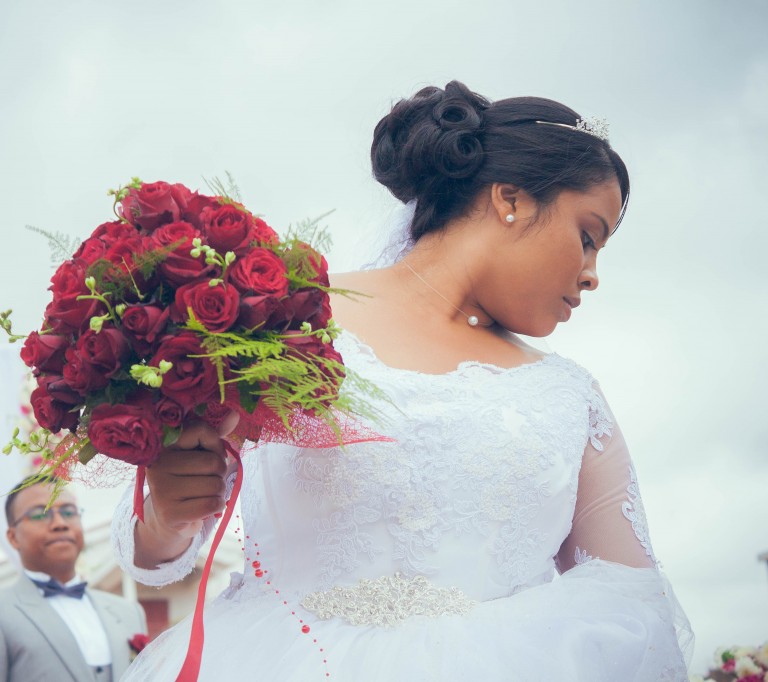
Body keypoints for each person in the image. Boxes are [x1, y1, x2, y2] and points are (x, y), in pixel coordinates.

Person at [109, 81, 693, 680]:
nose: (593, 275)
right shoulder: (286, 319)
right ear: (510, 199)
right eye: (588, 236)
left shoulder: (571, 396)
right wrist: (167, 515)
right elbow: (154, 556)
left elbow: (629, 601)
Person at [0, 476, 147, 682]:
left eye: (69, 512)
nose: (60, 523)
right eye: (40, 514)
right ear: (13, 537)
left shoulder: (129, 612)